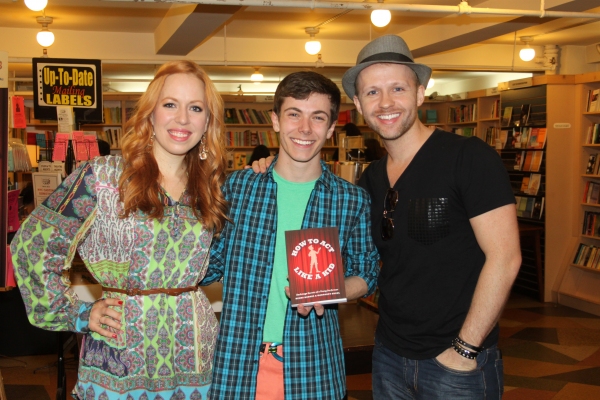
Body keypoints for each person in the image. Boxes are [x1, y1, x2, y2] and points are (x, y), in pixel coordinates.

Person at [10, 60, 229, 399]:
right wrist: (77, 312)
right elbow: (31, 244)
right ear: (150, 114)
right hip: (120, 347)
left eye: (196, 108)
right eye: (170, 104)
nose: (183, 118)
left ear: (207, 122)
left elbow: (218, 264)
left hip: (193, 348)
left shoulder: (212, 188)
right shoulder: (104, 178)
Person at [342, 34, 522, 399]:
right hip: (389, 354)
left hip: (456, 362)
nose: (386, 102)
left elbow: (505, 258)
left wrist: (464, 349)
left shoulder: (468, 158)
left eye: (397, 88)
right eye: (373, 93)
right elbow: (375, 260)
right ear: (359, 104)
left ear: (420, 93)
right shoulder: (372, 177)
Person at [202, 71, 379, 400]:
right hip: (237, 362)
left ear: (330, 129)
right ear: (276, 121)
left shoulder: (350, 200)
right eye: (294, 114)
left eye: (318, 117)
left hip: (313, 364)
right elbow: (209, 264)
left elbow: (366, 270)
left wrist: (332, 291)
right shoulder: (238, 188)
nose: (305, 129)